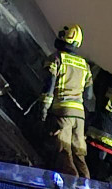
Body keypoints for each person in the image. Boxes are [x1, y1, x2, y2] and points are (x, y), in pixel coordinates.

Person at [39, 24, 94, 178]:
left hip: (62, 113)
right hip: (80, 116)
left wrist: (43, 109)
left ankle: (71, 188)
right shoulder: (85, 65)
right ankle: (85, 186)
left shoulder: (56, 59)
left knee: (64, 152)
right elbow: (89, 95)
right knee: (79, 154)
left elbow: (48, 86)